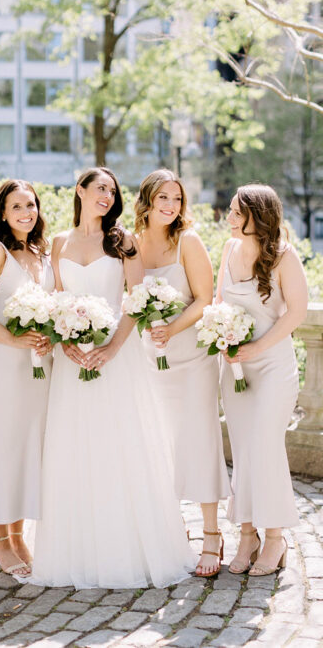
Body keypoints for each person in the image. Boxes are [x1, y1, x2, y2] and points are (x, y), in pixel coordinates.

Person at [31, 167, 192, 589]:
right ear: (80, 191)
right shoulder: (60, 243)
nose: (106, 195)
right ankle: (76, 552)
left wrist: (111, 349)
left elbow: (135, 303)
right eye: (99, 187)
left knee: (119, 445)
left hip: (115, 358)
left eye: (112, 190)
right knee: (73, 447)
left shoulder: (124, 243)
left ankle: (130, 551)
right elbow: (53, 300)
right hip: (72, 361)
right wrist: (63, 341)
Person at [133, 170, 229, 577]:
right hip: (149, 362)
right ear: (147, 202)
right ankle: (170, 534)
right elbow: (130, 299)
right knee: (158, 446)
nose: (171, 206)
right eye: (163, 199)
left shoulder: (187, 241)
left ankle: (211, 534)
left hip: (192, 359)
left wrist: (170, 328)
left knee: (199, 440)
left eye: (177, 199)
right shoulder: (131, 244)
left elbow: (205, 299)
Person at [217, 184, 306, 576]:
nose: (230, 218)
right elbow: (219, 304)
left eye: (237, 212)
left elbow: (296, 312)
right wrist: (221, 336)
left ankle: (275, 538)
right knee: (244, 450)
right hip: (236, 369)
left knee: (266, 447)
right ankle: (247, 534)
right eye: (231, 211)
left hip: (273, 366)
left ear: (259, 215)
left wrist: (257, 348)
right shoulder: (227, 250)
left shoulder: (284, 256)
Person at [0, 180, 53, 578]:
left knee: (27, 447)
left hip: (39, 367)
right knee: (3, 445)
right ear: (2, 212)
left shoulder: (42, 252)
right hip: (2, 362)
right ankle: (0, 539)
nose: (26, 212)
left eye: (31, 205)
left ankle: (17, 536)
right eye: (17, 206)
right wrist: (11, 340)